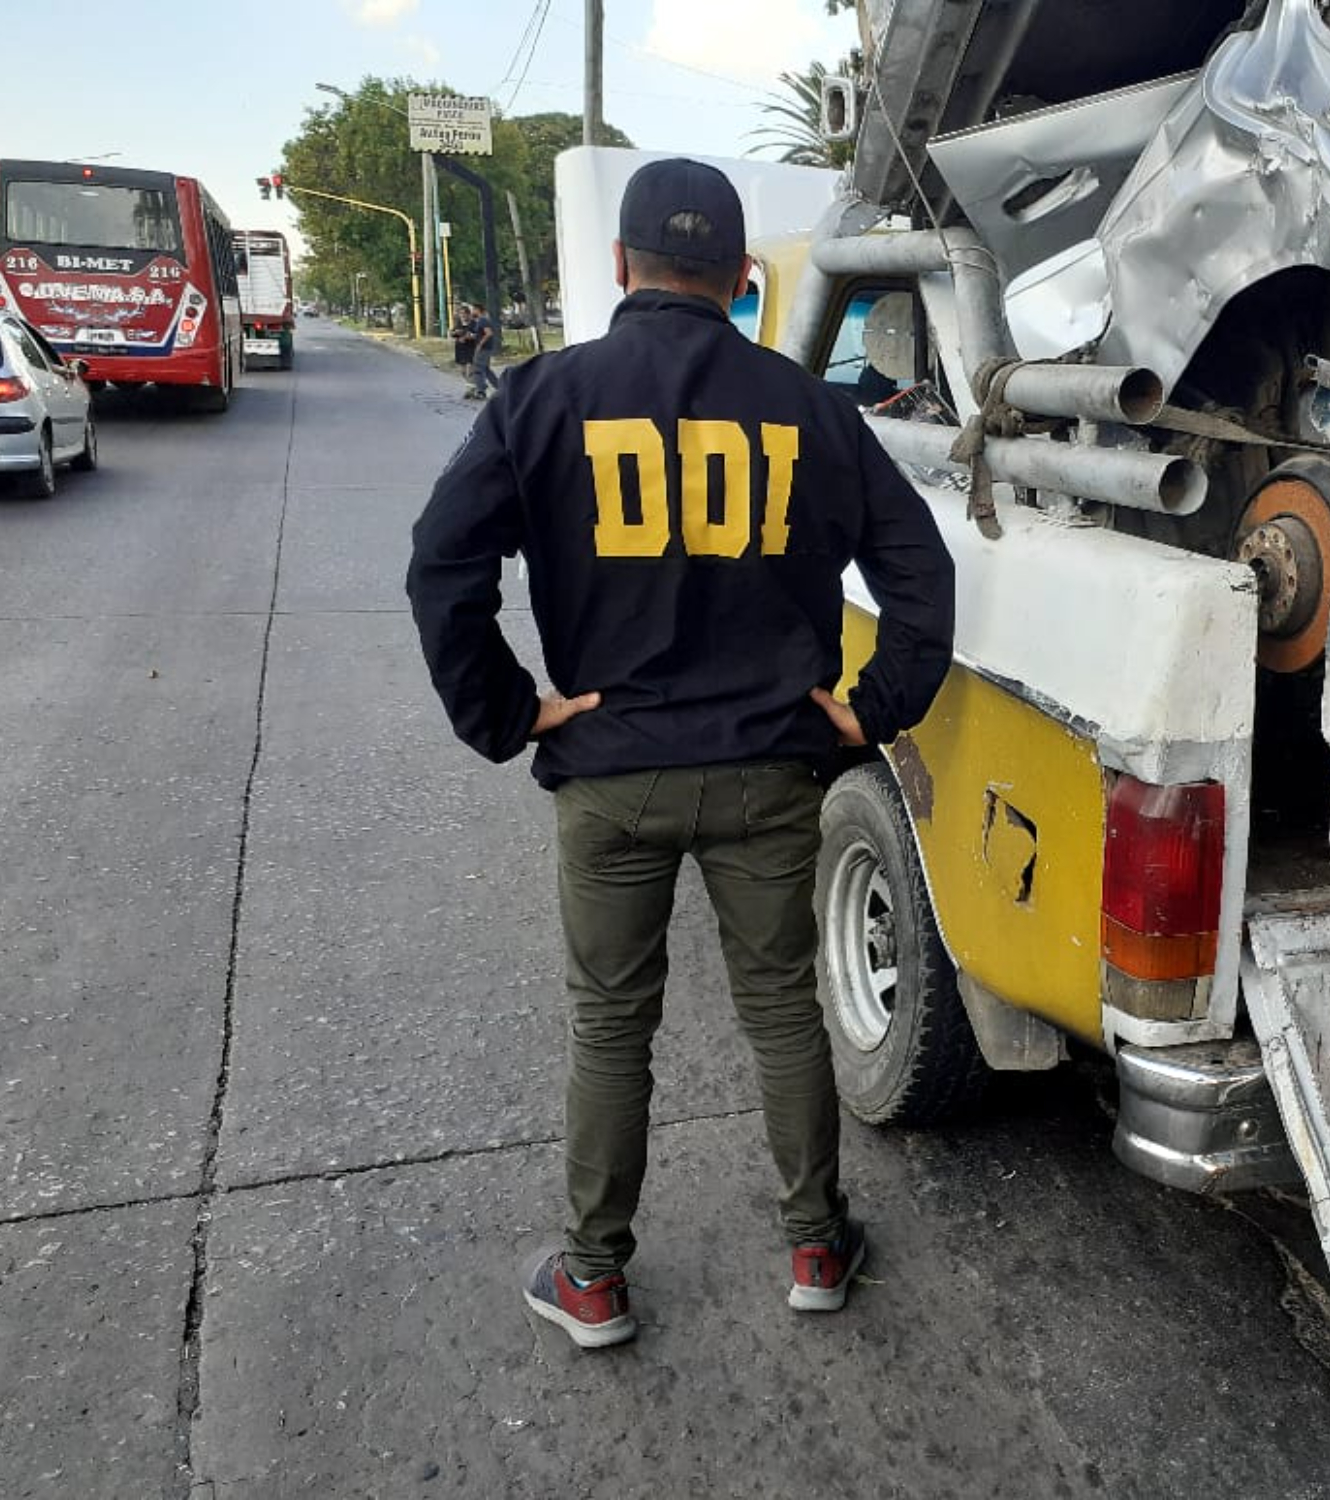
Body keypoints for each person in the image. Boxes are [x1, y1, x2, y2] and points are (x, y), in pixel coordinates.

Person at [405, 158, 955, 1350]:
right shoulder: (812, 410)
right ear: (741, 278)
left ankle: (594, 1276)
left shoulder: (543, 398)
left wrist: (513, 714)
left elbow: (440, 567)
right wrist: (873, 709)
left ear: (619, 267)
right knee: (781, 1013)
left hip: (606, 773)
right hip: (771, 767)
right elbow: (921, 575)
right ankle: (816, 1245)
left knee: (610, 1025)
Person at [464, 302, 501, 399]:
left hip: (484, 348)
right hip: (485, 347)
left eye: (473, 309)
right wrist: (472, 336)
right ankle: (500, 387)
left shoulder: (483, 320)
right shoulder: (480, 320)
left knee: (478, 368)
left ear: (477, 310)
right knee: (486, 369)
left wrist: (480, 344)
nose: (472, 312)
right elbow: (481, 334)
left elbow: (488, 333)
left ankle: (481, 391)